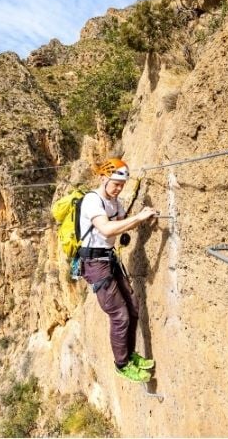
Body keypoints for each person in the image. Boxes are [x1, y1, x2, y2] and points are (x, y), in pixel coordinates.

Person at [79, 157, 158, 382]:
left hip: (108, 259)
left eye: (122, 185)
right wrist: (138, 217)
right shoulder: (92, 201)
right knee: (119, 314)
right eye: (115, 183)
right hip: (94, 264)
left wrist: (143, 216)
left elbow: (123, 221)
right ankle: (121, 365)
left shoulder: (115, 202)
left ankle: (129, 355)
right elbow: (105, 229)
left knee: (132, 307)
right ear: (103, 178)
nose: (118, 188)